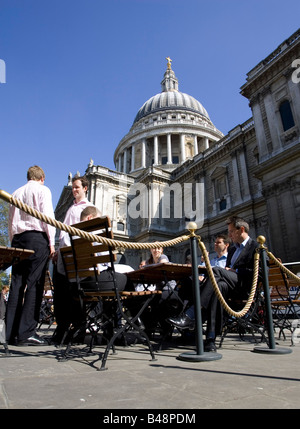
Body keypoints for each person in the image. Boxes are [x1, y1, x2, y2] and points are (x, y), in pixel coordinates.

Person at [168, 217, 260, 352]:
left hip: (244, 287)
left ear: (241, 230)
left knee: (216, 270)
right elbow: (226, 273)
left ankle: (192, 314)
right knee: (218, 288)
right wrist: (229, 272)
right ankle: (211, 339)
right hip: (228, 287)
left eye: (231, 232)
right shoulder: (234, 250)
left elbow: (261, 273)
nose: (229, 235)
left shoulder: (256, 246)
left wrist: (236, 270)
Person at [6, 166, 56, 346]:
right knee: (34, 285)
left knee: (16, 285)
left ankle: (10, 333)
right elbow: (47, 217)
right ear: (42, 177)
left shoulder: (16, 192)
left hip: (18, 240)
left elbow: (11, 220)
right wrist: (51, 243)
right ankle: (26, 333)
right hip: (37, 238)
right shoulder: (43, 190)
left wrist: (13, 242)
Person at [52, 176, 95, 343]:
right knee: (63, 293)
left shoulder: (88, 209)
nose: (73, 190)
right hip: (66, 256)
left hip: (76, 258)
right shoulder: (72, 208)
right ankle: (66, 328)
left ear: (85, 188)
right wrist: (58, 250)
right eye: (72, 187)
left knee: (71, 292)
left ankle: (72, 328)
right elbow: (63, 233)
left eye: (77, 187)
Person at [176, 234, 231, 324]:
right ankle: (179, 311)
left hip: (219, 288)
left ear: (226, 245)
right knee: (186, 280)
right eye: (215, 242)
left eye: (218, 242)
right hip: (205, 285)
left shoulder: (229, 259)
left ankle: (189, 315)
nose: (215, 244)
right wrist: (202, 263)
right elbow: (202, 272)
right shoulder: (212, 261)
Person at [138, 246, 182, 337]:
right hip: (158, 291)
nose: (156, 250)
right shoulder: (149, 261)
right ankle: (149, 327)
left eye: (158, 248)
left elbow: (163, 264)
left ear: (162, 250)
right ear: (150, 250)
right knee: (141, 300)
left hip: (170, 290)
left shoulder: (163, 257)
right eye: (154, 248)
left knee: (157, 300)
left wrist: (147, 268)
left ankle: (162, 328)